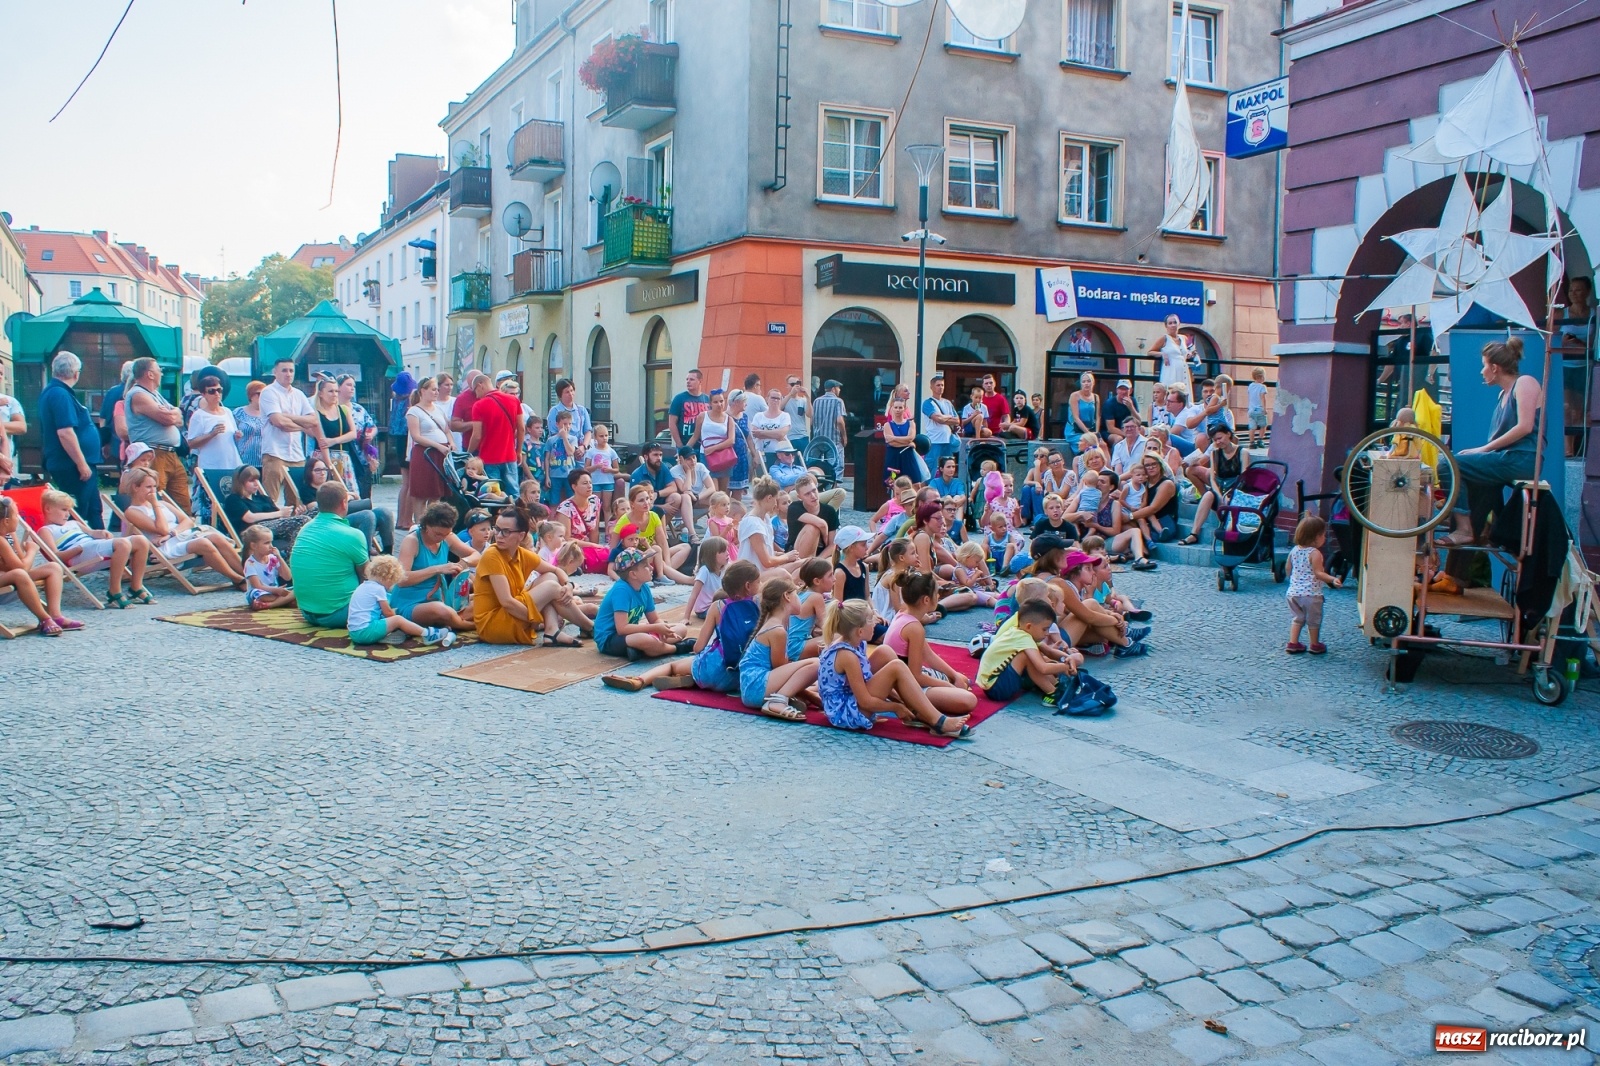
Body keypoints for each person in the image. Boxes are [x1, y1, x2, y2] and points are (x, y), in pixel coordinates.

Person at [1440, 337, 1543, 546]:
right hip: (1507, 458)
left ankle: (1464, 528)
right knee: (1470, 476)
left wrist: (1483, 449)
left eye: (1484, 366)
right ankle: (1478, 539)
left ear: (1494, 368)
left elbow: (1525, 426)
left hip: (1522, 458)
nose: (1481, 372)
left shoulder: (1525, 383)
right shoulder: (1502, 395)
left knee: (1448, 464)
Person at [818, 599, 971, 737]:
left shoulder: (856, 642)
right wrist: (896, 707)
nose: (876, 622)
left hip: (850, 699)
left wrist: (900, 702)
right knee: (896, 667)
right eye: (871, 620)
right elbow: (865, 702)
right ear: (859, 631)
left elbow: (867, 680)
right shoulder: (847, 655)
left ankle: (917, 708)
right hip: (846, 712)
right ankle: (938, 722)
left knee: (885, 651)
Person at [605, 560, 762, 693]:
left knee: (673, 665)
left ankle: (640, 680)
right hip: (744, 675)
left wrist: (702, 651)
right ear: (748, 586)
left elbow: (698, 647)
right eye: (758, 581)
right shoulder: (759, 605)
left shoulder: (717, 607)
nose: (760, 584)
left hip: (715, 669)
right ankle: (689, 678)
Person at [474, 500, 593, 646]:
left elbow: (555, 570)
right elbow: (507, 602)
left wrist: (569, 585)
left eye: (506, 531)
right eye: (497, 529)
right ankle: (590, 627)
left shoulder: (521, 553)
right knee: (551, 587)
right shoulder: (491, 555)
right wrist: (537, 620)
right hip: (494, 624)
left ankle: (552, 631)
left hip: (512, 612)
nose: (499, 535)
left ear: (521, 535)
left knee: (550, 577)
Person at [120, 466, 246, 585]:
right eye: (148, 487)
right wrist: (155, 505)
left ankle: (247, 575)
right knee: (204, 543)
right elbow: (162, 529)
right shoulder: (133, 511)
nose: (153, 491)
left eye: (154, 486)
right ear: (135, 487)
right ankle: (238, 579)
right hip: (164, 547)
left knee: (216, 538)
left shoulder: (164, 504)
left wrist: (172, 533)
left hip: (177, 536)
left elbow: (188, 521)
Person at [36, 488, 152, 608]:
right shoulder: (46, 531)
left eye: (69, 510)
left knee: (141, 540)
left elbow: (92, 533)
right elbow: (55, 556)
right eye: (64, 510)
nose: (68, 514)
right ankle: (114, 591)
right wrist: (77, 549)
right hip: (80, 556)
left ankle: (136, 586)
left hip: (92, 548)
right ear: (48, 509)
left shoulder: (74, 523)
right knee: (122, 544)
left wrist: (101, 533)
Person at [287, 481, 370, 627]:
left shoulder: (305, 528)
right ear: (344, 503)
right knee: (397, 601)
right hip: (339, 612)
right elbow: (368, 577)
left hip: (307, 611)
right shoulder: (352, 535)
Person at [38, 351, 105, 530]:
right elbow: (65, 432)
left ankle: (104, 549)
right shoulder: (60, 394)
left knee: (94, 509)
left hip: (74, 463)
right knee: (77, 511)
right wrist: (81, 463)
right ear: (76, 373)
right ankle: (73, 548)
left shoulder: (56, 392)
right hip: (71, 465)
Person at [0, 496, 81, 636]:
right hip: (10, 577)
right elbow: (22, 567)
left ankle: (55, 615)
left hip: (9, 576)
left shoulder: (9, 535)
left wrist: (16, 562)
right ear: (6, 521)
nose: (19, 519)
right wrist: (32, 550)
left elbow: (19, 561)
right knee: (20, 574)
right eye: (16, 515)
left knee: (53, 567)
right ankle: (44, 619)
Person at [391, 502, 478, 631]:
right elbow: (401, 579)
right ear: (427, 526)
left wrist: (464, 562)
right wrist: (437, 569)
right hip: (410, 603)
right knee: (442, 611)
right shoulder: (412, 541)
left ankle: (453, 620)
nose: (441, 538)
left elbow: (476, 555)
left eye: (445, 534)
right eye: (437, 534)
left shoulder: (447, 538)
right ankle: (468, 625)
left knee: (485, 598)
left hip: (439, 600)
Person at [595, 547, 691, 659]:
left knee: (681, 628)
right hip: (610, 638)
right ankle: (678, 648)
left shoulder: (644, 588)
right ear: (633, 574)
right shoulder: (621, 591)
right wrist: (654, 628)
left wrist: (662, 629)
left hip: (631, 633)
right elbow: (622, 629)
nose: (651, 568)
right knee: (644, 639)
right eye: (646, 566)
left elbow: (654, 619)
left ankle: (643, 650)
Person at [123, 357, 191, 514]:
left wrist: (174, 413)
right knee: (153, 500)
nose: (161, 373)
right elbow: (168, 418)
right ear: (150, 374)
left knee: (182, 503)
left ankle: (184, 534)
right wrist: (173, 414)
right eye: (159, 370)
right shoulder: (138, 394)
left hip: (171, 454)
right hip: (152, 455)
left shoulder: (154, 394)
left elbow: (178, 417)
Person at [346, 554, 456, 647]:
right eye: (392, 582)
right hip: (365, 632)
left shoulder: (363, 586)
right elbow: (388, 613)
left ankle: (384, 635)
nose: (390, 586)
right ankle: (428, 634)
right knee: (398, 619)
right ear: (387, 578)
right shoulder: (378, 589)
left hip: (354, 632)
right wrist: (399, 615)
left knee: (392, 618)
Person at [258, 358, 320, 507]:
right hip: (275, 452)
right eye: (284, 370)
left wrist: (288, 417)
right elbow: (279, 422)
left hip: (296, 454)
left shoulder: (299, 395)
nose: (288, 374)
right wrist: (302, 425)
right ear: (275, 372)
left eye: (291, 370)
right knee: (270, 499)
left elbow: (314, 420)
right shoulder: (268, 392)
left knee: (296, 501)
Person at [306, 456, 395, 554]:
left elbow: (356, 497)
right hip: (336, 521)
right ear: (309, 472)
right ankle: (364, 554)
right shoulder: (307, 490)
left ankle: (388, 553)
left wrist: (346, 498)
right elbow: (316, 507)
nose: (322, 473)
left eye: (324, 469)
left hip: (349, 512)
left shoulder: (332, 485)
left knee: (384, 512)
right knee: (367, 515)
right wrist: (346, 497)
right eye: (317, 470)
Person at [1180, 423, 1250, 545]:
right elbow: (1213, 478)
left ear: (1228, 434)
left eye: (1219, 438)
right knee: (1208, 495)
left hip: (1235, 489)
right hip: (1220, 487)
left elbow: (1244, 478)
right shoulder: (1215, 453)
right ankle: (1194, 533)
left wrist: (1230, 494)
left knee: (1229, 500)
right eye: (1215, 440)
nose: (1218, 442)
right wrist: (1218, 494)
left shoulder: (1242, 452)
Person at [613, 482, 692, 584]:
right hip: (635, 560)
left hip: (652, 555)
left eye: (647, 499)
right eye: (641, 500)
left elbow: (663, 543)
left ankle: (662, 571)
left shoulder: (653, 516)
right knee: (655, 552)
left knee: (685, 547)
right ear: (632, 504)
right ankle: (687, 579)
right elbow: (613, 548)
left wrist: (667, 563)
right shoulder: (624, 521)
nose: (646, 503)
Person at [222, 464, 313, 552]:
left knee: (311, 516)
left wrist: (295, 516)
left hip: (272, 530)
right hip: (252, 531)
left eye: (257, 480)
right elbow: (249, 518)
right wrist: (280, 513)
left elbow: (279, 519)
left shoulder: (263, 498)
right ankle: (290, 558)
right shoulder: (234, 499)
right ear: (240, 482)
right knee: (303, 520)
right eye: (251, 480)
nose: (256, 483)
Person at [187, 376, 242, 517]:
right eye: (212, 391)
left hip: (231, 463)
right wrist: (211, 434)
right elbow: (191, 443)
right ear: (203, 394)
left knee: (232, 501)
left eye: (219, 390)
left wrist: (237, 436)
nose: (217, 394)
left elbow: (231, 437)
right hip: (211, 465)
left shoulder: (228, 412)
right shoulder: (199, 416)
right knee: (211, 503)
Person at [1286, 515, 1342, 654]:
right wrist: (1332, 579)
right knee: (1314, 620)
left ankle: (1293, 643)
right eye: (1323, 535)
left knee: (1297, 618)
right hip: (1311, 594)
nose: (1324, 538)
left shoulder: (1294, 550)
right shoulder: (1314, 553)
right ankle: (1315, 644)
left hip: (1293, 593)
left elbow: (1288, 569)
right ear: (1316, 537)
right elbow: (1318, 573)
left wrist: (1293, 581)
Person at [404, 377, 453, 518]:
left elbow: (446, 430)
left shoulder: (438, 409)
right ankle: (420, 523)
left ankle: (434, 522)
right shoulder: (414, 411)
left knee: (436, 492)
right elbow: (416, 436)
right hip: (425, 453)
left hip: (442, 453)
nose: (436, 392)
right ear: (422, 391)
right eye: (433, 389)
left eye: (437, 389)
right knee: (421, 492)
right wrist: (438, 446)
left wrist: (451, 443)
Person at [470, 372, 526, 494]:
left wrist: (468, 453)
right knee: (513, 493)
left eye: (475, 390)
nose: (476, 395)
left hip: (489, 457)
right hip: (510, 455)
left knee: (491, 494)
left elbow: (477, 435)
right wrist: (518, 450)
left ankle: (496, 514)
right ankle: (514, 513)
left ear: (480, 385)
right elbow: (521, 428)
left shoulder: (479, 405)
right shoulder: (514, 400)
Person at [739, 477, 799, 575]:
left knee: (803, 564)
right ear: (769, 498)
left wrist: (782, 555)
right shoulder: (752, 523)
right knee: (784, 573)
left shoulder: (766, 518)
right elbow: (767, 562)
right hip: (753, 576)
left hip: (765, 571)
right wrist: (787, 557)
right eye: (776, 500)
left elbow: (766, 553)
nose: (776, 504)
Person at [557, 470, 614, 575]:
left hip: (589, 546)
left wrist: (596, 548)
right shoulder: (565, 508)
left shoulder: (594, 501)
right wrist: (593, 546)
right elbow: (566, 539)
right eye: (584, 483)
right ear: (574, 487)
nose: (589, 486)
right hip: (572, 549)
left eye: (590, 483)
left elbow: (594, 530)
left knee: (610, 553)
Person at [689, 389, 737, 491]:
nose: (719, 404)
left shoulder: (729, 419)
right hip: (706, 456)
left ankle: (723, 506)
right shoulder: (702, 416)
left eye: (721, 401)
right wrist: (684, 450)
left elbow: (731, 440)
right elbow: (695, 436)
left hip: (724, 457)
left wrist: (713, 448)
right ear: (710, 403)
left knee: (723, 491)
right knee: (712, 489)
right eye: (715, 402)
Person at [240, 524, 295, 611]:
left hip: (275, 591)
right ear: (254, 546)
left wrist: (279, 558)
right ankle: (282, 601)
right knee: (263, 596)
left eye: (271, 542)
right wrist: (276, 591)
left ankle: (270, 605)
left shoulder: (273, 558)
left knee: (297, 589)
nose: (271, 546)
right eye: (267, 543)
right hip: (260, 592)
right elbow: (257, 586)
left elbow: (288, 577)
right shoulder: (250, 563)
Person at [671, 446, 716, 535]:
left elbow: (712, 488)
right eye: (688, 459)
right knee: (686, 496)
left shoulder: (700, 467)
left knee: (717, 497)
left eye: (694, 457)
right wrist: (688, 471)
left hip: (696, 499)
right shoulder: (675, 470)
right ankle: (689, 530)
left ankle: (718, 524)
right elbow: (684, 489)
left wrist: (697, 497)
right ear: (681, 459)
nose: (693, 461)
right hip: (682, 502)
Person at [921, 374, 961, 472]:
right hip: (934, 441)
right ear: (932, 387)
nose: (941, 388)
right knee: (931, 469)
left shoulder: (947, 403)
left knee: (948, 469)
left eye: (942, 385)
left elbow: (957, 421)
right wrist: (948, 417)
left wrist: (944, 418)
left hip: (947, 441)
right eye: (938, 385)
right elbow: (938, 419)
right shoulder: (928, 403)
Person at [810, 379, 847, 478]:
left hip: (819, 440)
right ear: (833, 389)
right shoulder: (838, 401)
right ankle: (834, 487)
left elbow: (812, 421)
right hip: (834, 440)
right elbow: (839, 421)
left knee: (819, 464)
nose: (839, 390)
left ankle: (821, 484)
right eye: (838, 388)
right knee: (837, 465)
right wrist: (844, 436)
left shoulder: (816, 401)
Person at [688, 536, 731, 618]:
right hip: (705, 609)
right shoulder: (705, 571)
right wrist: (686, 617)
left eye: (727, 550)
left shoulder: (725, 568)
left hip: (718, 604)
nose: (727, 553)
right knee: (728, 615)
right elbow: (694, 594)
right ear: (712, 555)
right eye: (723, 551)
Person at [1151, 313, 1195, 394]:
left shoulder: (1184, 338)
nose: (1173, 325)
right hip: (1170, 370)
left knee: (1185, 392)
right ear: (1166, 326)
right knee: (1171, 392)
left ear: (1179, 324)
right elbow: (1150, 352)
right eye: (1170, 323)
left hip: (1183, 370)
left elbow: (1188, 350)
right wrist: (1162, 354)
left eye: (1175, 322)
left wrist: (1189, 354)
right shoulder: (1164, 338)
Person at [883, 397, 923, 485]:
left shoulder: (911, 424)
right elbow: (890, 442)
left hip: (908, 456)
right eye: (896, 407)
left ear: (904, 409)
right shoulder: (887, 425)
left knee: (916, 483)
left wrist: (894, 438)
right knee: (893, 483)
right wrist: (907, 443)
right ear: (892, 408)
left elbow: (910, 437)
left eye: (900, 407)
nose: (898, 410)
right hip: (893, 458)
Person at [583, 422, 621, 516]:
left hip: (608, 482)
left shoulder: (611, 451)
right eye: (601, 436)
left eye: (606, 435)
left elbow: (616, 469)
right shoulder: (591, 452)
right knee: (595, 508)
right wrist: (596, 466)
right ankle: (594, 528)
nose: (604, 438)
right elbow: (586, 469)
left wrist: (609, 469)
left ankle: (608, 529)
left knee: (607, 507)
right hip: (595, 482)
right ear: (595, 437)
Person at [545, 377, 594, 448]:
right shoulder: (555, 411)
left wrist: (584, 446)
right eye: (567, 392)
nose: (571, 394)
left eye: (572, 390)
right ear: (560, 395)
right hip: (562, 449)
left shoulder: (582, 410)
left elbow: (588, 431)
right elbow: (553, 433)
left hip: (581, 449)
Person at [668, 368, 709, 450]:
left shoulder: (707, 399)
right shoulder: (679, 398)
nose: (688, 381)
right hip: (684, 444)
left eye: (692, 379)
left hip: (704, 447)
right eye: (687, 379)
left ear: (700, 381)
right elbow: (672, 424)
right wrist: (680, 445)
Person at [450, 371, 491, 449]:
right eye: (470, 386)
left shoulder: (495, 396)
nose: (473, 390)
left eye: (475, 386)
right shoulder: (462, 398)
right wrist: (475, 424)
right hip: (471, 446)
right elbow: (454, 425)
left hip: (492, 447)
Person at [749, 388, 793, 460]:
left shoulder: (785, 416)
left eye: (778, 398)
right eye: (773, 398)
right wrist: (775, 434)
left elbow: (781, 434)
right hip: (762, 454)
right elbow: (755, 434)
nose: (775, 400)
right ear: (767, 399)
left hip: (781, 454)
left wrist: (762, 433)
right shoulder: (758, 416)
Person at [234, 380, 269, 471]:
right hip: (245, 461)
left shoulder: (269, 413)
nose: (262, 397)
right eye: (259, 394)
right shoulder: (239, 413)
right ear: (251, 395)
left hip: (266, 461)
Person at [1068, 373, 1099, 450]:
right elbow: (1076, 418)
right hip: (1075, 431)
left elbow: (1098, 417)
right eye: (1084, 381)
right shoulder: (1074, 396)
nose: (1086, 384)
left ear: (1093, 382)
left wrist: (1097, 432)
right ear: (1081, 383)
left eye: (1089, 381)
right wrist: (1088, 433)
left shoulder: (1096, 397)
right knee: (1087, 444)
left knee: (1102, 445)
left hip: (1091, 430)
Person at [782, 377, 810, 457]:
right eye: (792, 384)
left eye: (797, 384)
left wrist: (808, 397)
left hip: (802, 436)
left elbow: (810, 414)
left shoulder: (803, 400)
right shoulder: (783, 399)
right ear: (787, 386)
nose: (795, 386)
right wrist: (791, 394)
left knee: (804, 463)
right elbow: (779, 408)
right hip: (789, 438)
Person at [1246, 367, 1270, 447]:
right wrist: (1264, 409)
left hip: (1251, 410)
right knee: (1263, 425)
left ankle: (1252, 443)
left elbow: (1250, 396)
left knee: (1252, 427)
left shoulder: (1250, 386)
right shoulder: (1262, 387)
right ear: (1261, 377)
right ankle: (1260, 440)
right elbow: (1263, 398)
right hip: (1259, 409)